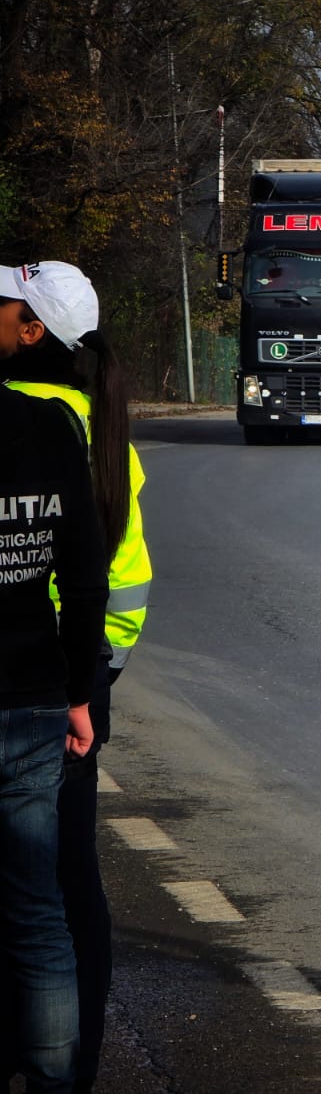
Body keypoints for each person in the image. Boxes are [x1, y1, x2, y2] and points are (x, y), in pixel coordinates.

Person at [0, 261, 150, 1093]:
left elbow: (64, 570)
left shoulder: (40, 418)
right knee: (66, 886)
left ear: (34, 333)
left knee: (33, 895)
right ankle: (71, 1065)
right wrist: (94, 676)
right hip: (79, 678)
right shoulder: (98, 417)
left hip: (38, 677)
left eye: (5, 303)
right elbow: (120, 576)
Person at [0, 379, 108, 1092]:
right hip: (34, 694)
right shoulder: (49, 425)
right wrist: (77, 693)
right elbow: (83, 571)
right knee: (39, 915)